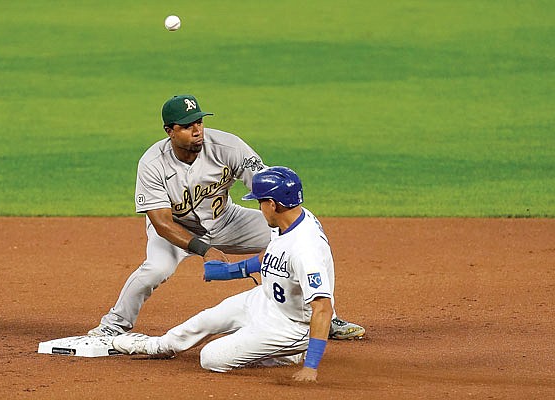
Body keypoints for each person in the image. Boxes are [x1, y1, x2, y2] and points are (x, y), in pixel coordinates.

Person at [88, 94, 364, 340]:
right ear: (169, 131)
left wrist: (284, 234)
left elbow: (267, 188)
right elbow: (161, 222)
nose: (197, 130)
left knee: (306, 240)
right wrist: (204, 250)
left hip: (228, 220)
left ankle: (326, 316)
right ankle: (114, 324)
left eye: (199, 122)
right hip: (177, 230)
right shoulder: (152, 164)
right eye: (187, 126)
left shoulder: (228, 147)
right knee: (155, 269)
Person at [112, 166, 337, 382]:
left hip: (292, 325)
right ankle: (158, 346)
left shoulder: (306, 250)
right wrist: (229, 272)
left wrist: (311, 368)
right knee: (205, 320)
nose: (259, 208)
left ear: (272, 204)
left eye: (260, 202)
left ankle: (287, 354)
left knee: (211, 358)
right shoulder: (289, 219)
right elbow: (272, 254)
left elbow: (323, 308)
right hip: (265, 300)